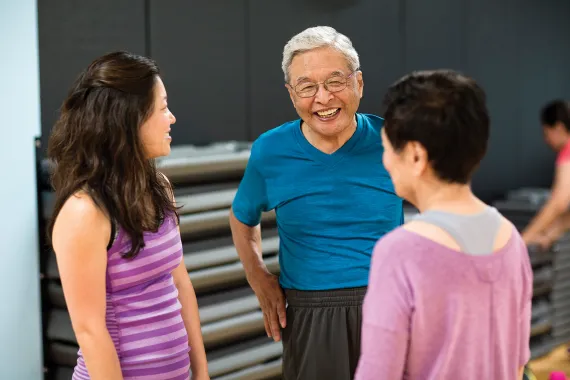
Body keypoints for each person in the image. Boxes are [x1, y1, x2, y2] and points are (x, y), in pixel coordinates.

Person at [229, 26, 403, 379]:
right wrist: (258, 276)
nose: (322, 98)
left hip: (391, 307)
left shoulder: (395, 142)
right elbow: (242, 217)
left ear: (359, 83)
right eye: (307, 87)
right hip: (311, 313)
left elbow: (439, 211)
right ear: (292, 95)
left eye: (335, 82)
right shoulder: (270, 151)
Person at [354, 70, 533, 379]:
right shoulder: (511, 240)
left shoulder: (399, 252)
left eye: (386, 149)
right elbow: (517, 367)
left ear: (415, 156)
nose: (385, 161)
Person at [47, 51, 209, 380]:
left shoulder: (159, 187)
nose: (172, 118)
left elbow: (180, 284)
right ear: (129, 119)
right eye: (162, 108)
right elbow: (90, 332)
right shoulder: (84, 212)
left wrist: (202, 372)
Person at [522, 100, 570, 249]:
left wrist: (522, 241)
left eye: (546, 132)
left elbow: (558, 203)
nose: (545, 140)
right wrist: (549, 234)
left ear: (558, 128)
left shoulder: (567, 153)